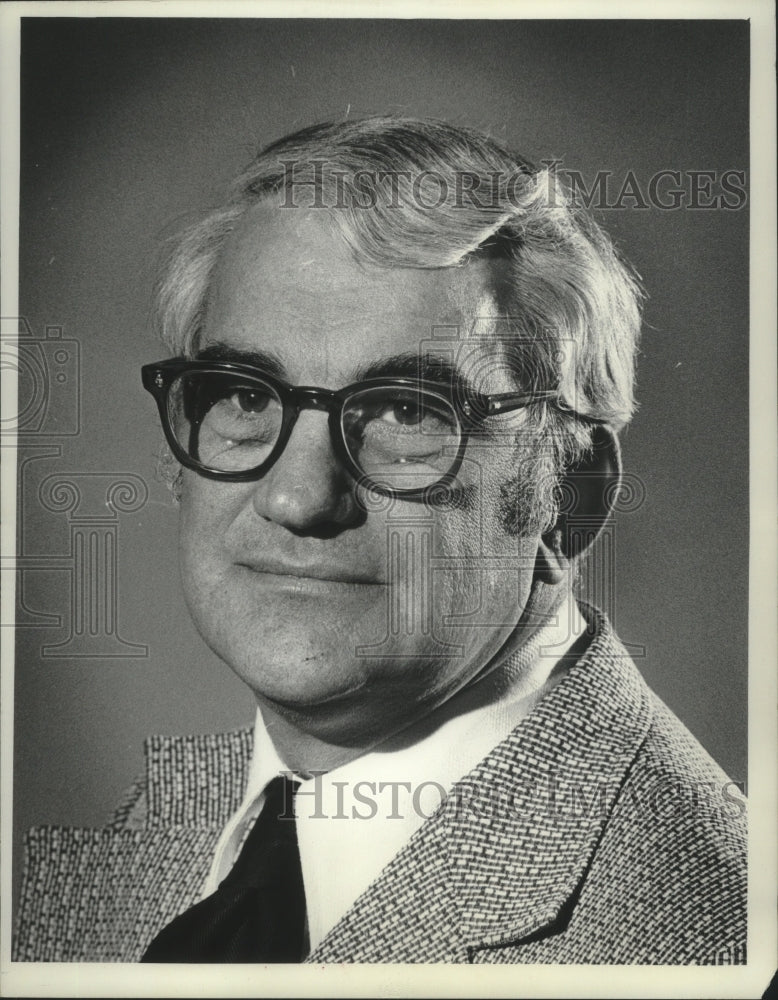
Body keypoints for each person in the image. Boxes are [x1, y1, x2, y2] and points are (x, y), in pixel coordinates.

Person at [14, 116, 746, 964]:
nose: (297, 497)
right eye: (247, 397)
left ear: (568, 495)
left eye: (407, 412)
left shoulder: (706, 934)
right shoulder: (114, 861)